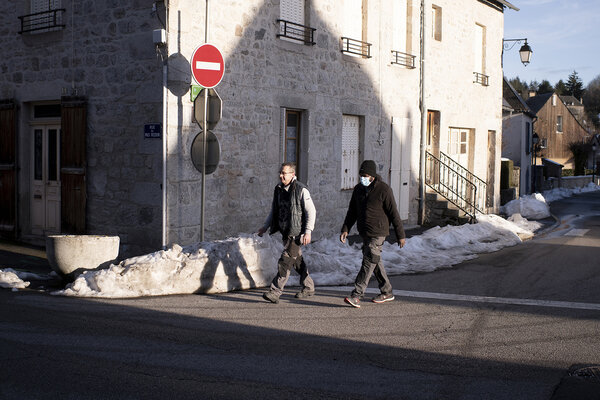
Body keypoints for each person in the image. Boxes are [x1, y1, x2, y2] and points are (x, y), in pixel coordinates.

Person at [340, 160, 406, 308]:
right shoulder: (358, 190)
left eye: (366, 175)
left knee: (369, 260)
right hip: (365, 232)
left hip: (379, 232)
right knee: (375, 261)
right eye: (361, 175)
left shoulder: (384, 190)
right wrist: (345, 229)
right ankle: (387, 291)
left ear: (373, 176)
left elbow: (394, 213)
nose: (363, 177)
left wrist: (400, 235)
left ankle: (356, 295)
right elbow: (352, 212)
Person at [258, 162, 316, 304]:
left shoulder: (301, 190)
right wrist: (265, 226)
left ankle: (275, 291)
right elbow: (274, 210)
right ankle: (308, 287)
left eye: (284, 173)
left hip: (296, 233)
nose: (281, 175)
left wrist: (308, 232)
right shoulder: (278, 189)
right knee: (297, 261)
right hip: (285, 231)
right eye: (280, 172)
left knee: (285, 261)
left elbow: (311, 211)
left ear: (292, 174)